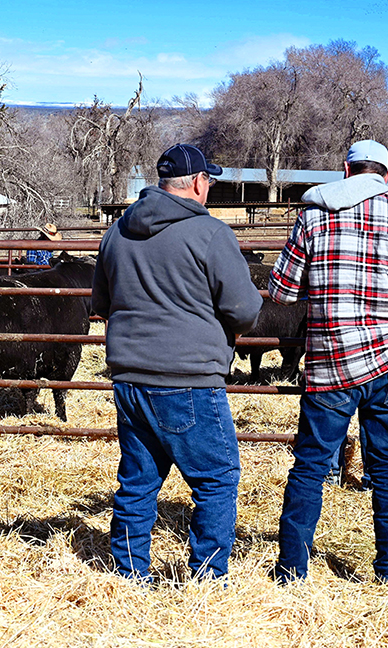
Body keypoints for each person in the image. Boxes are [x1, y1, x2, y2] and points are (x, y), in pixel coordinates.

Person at [269, 140, 388, 585]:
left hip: (331, 361)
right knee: (386, 462)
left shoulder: (313, 216)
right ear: (386, 176)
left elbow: (282, 291)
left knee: (310, 464)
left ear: (345, 170)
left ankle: (292, 572)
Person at [92, 143, 263, 584]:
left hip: (130, 376)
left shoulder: (117, 232)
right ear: (199, 183)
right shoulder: (211, 234)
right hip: (189, 376)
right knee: (217, 478)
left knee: (138, 481)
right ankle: (207, 577)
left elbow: (102, 303)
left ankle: (129, 575)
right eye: (210, 180)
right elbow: (244, 309)